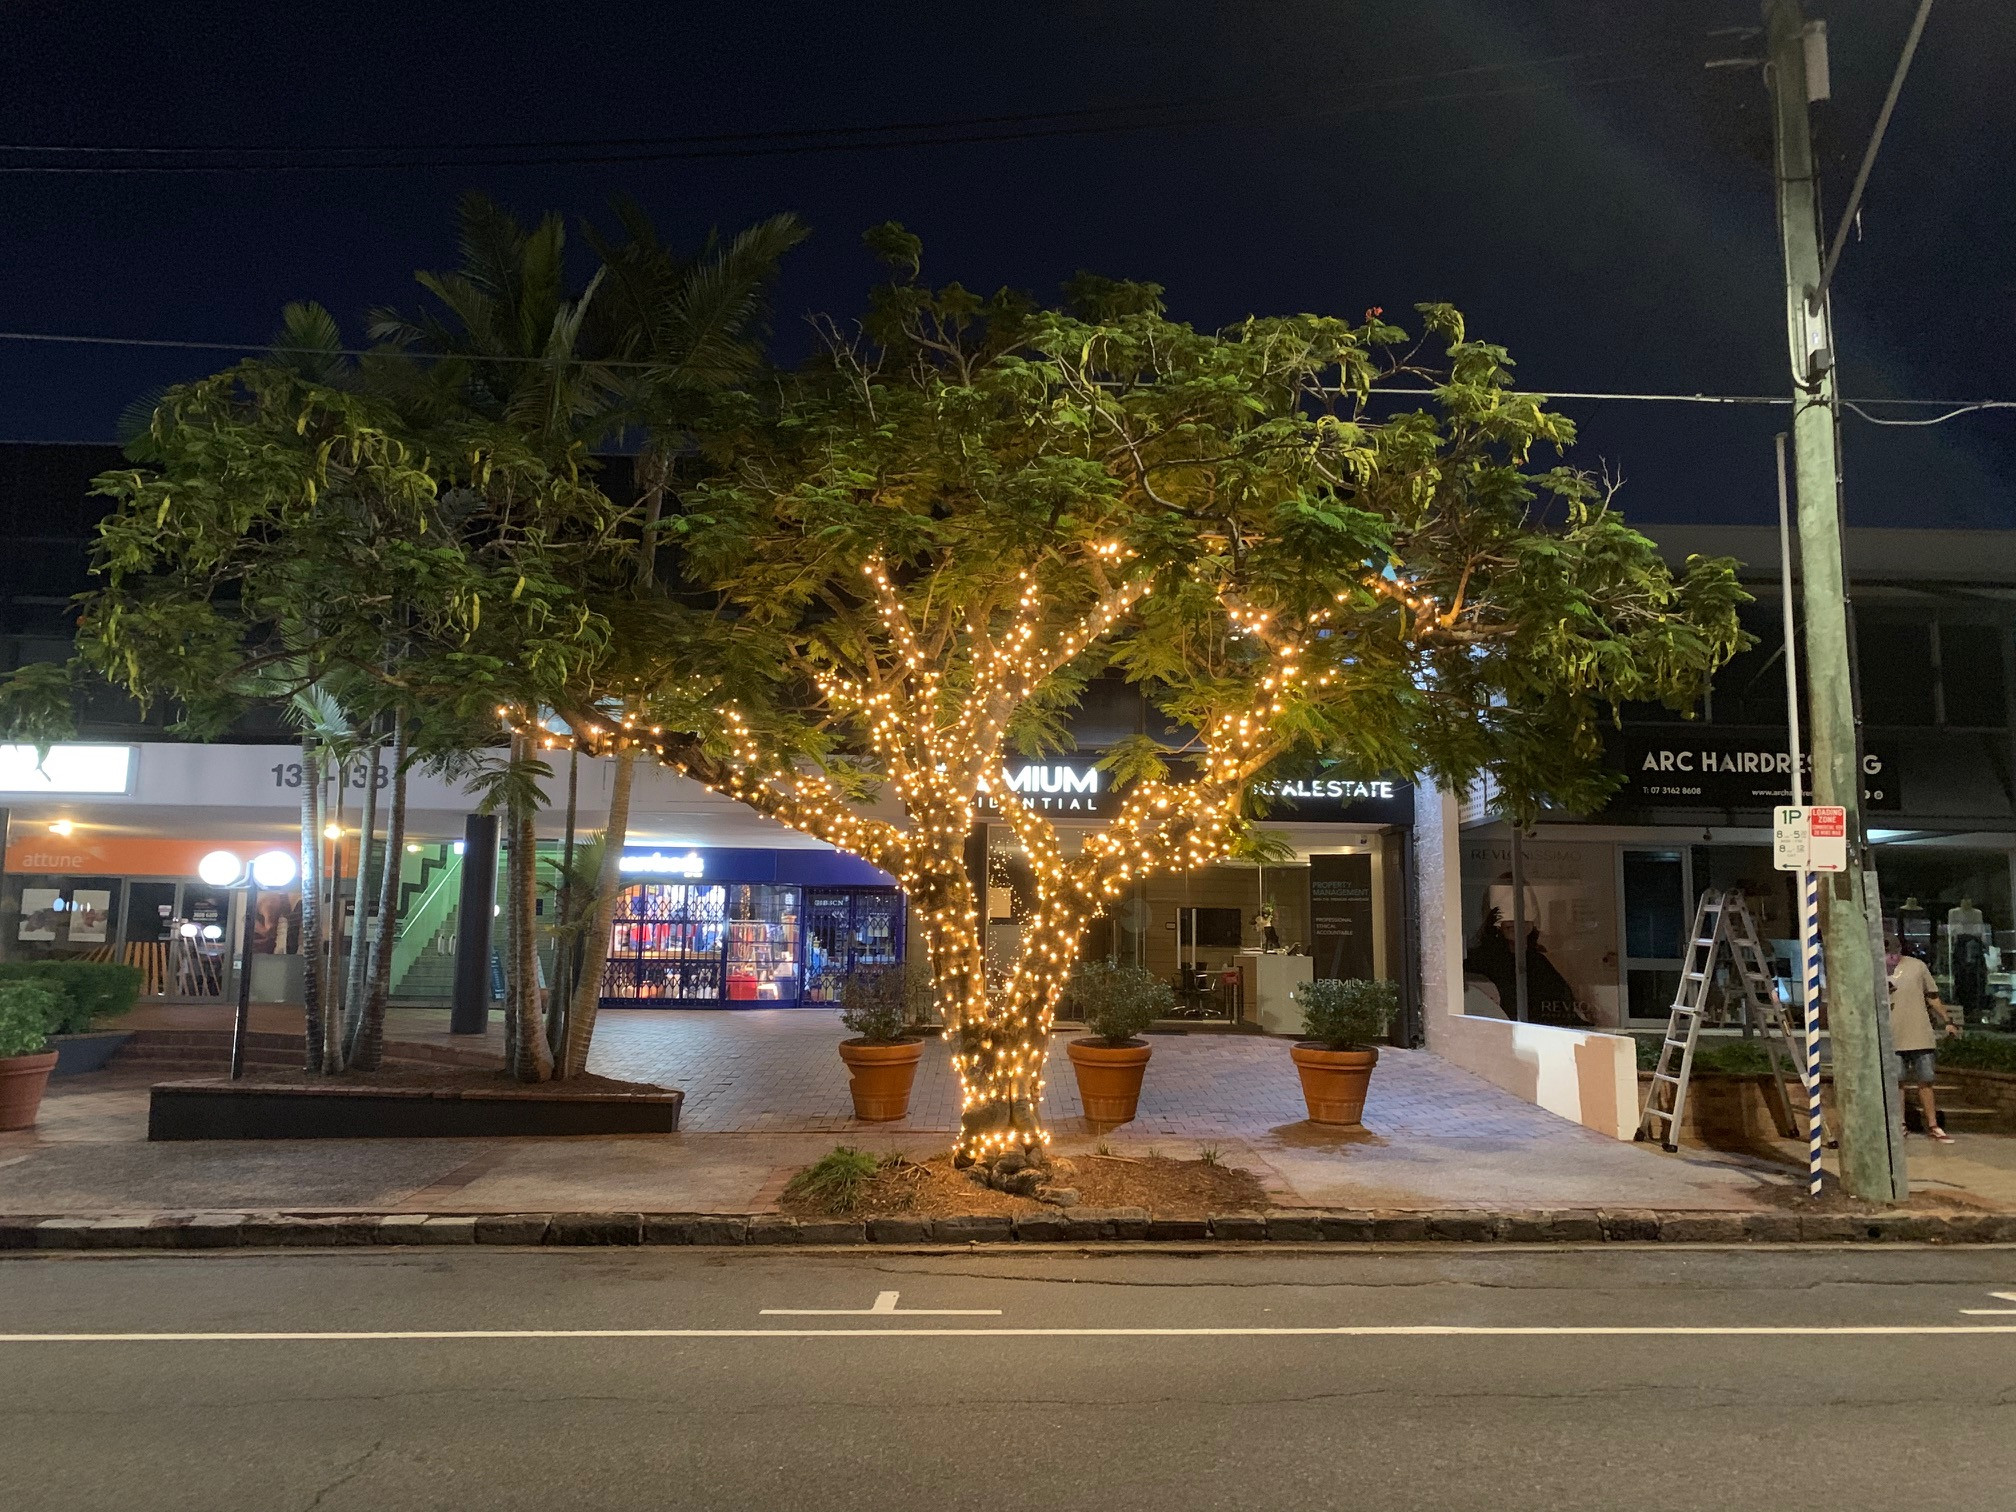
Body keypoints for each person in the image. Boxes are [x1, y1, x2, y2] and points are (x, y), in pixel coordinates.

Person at [1887, 932, 1960, 1143]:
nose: (1890, 958)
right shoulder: (1876, 970)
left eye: (1893, 953)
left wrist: (1947, 1020)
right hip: (1893, 1035)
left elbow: (1932, 996)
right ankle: (1900, 1123)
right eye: (1886, 954)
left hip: (1920, 1034)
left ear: (1900, 950)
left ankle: (1933, 1125)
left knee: (1926, 1081)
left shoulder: (1917, 967)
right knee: (1897, 1082)